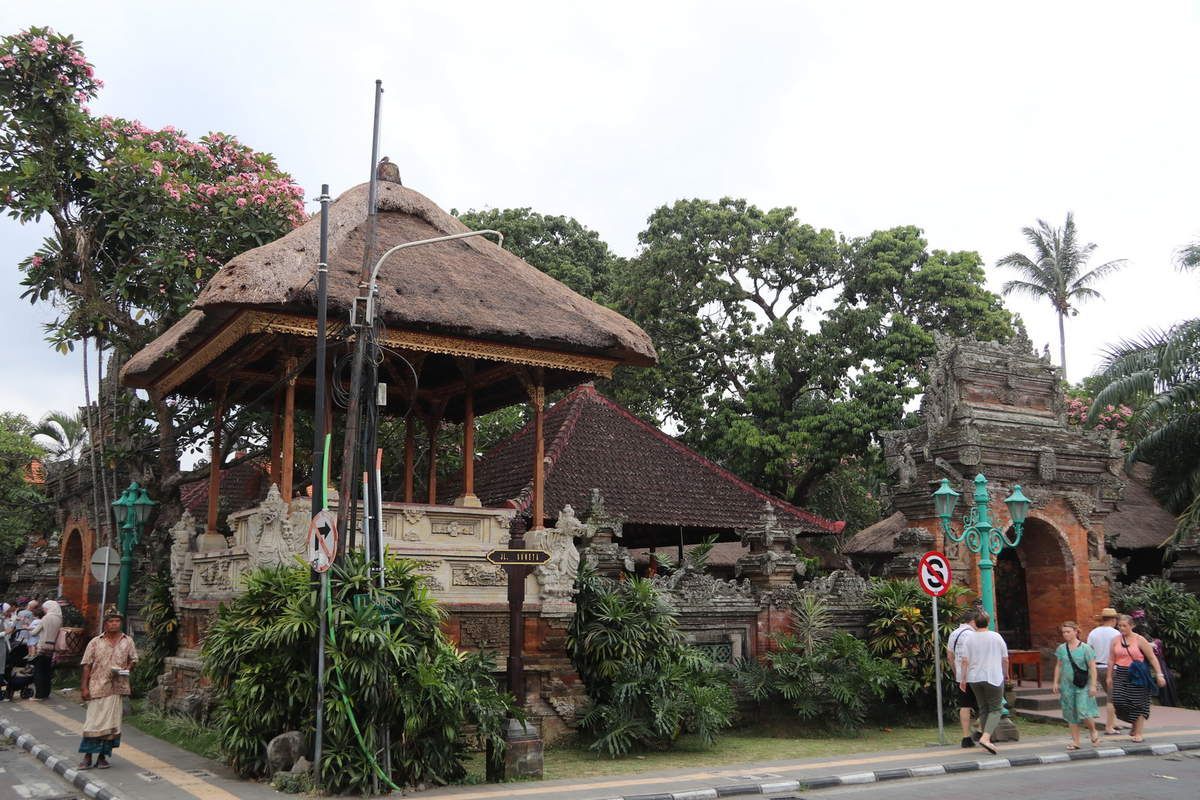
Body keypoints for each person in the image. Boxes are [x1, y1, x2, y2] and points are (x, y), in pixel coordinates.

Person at [78, 612, 138, 770]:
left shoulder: (127, 641)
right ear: (106, 624)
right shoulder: (95, 642)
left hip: (117, 688)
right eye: (111, 621)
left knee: (112, 724)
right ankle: (87, 756)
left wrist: (127, 668)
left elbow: (133, 659)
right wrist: (84, 687)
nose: (114, 624)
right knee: (93, 722)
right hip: (97, 687)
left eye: (117, 621)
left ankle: (103, 757)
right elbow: (86, 665)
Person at [1106, 613, 1167, 743]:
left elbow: (1152, 658)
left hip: (1138, 674)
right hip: (1121, 673)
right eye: (1119, 626)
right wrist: (1109, 676)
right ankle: (1133, 723)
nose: (1121, 628)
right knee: (1119, 701)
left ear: (1132, 626)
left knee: (1138, 703)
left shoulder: (1140, 640)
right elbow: (1111, 659)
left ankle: (1138, 732)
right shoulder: (1115, 640)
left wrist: (1159, 674)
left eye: (1124, 626)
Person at [959, 610, 1009, 755]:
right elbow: (1005, 658)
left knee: (983, 708)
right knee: (996, 708)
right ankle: (986, 737)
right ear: (988, 622)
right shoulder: (996, 637)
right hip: (993, 676)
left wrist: (963, 679)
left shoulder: (969, 638)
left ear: (974, 622)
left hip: (974, 677)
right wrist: (1005, 674)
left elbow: (964, 661)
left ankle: (985, 736)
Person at [1052, 621, 1100, 749]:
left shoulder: (1086, 648)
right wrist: (1056, 681)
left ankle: (1093, 730)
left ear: (1075, 631)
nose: (1065, 634)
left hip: (1082, 684)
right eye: (1063, 632)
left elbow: (1092, 668)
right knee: (1070, 713)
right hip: (1067, 685)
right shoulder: (1061, 649)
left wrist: (1093, 685)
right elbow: (1059, 665)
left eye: (1068, 632)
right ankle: (1076, 741)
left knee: (1083, 711)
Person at [1087, 606, 1123, 734]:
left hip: (1097, 667)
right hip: (1111, 668)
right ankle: (1109, 727)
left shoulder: (1093, 632)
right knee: (1111, 698)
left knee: (1111, 695)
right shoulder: (1116, 634)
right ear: (1114, 620)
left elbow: (1089, 651)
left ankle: (1113, 722)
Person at [946, 609, 978, 748]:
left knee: (965, 705)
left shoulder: (953, 634)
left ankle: (966, 737)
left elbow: (949, 656)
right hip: (975, 674)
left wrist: (955, 671)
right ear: (972, 621)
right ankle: (980, 728)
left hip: (960, 676)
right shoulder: (973, 635)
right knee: (986, 704)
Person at [33, 599, 62, 700]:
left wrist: (28, 629)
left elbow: (34, 632)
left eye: (45, 608)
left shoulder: (46, 618)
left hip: (42, 646)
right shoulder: (59, 619)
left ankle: (39, 694)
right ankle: (46, 693)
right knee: (47, 671)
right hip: (52, 647)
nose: (44, 610)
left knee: (39, 671)